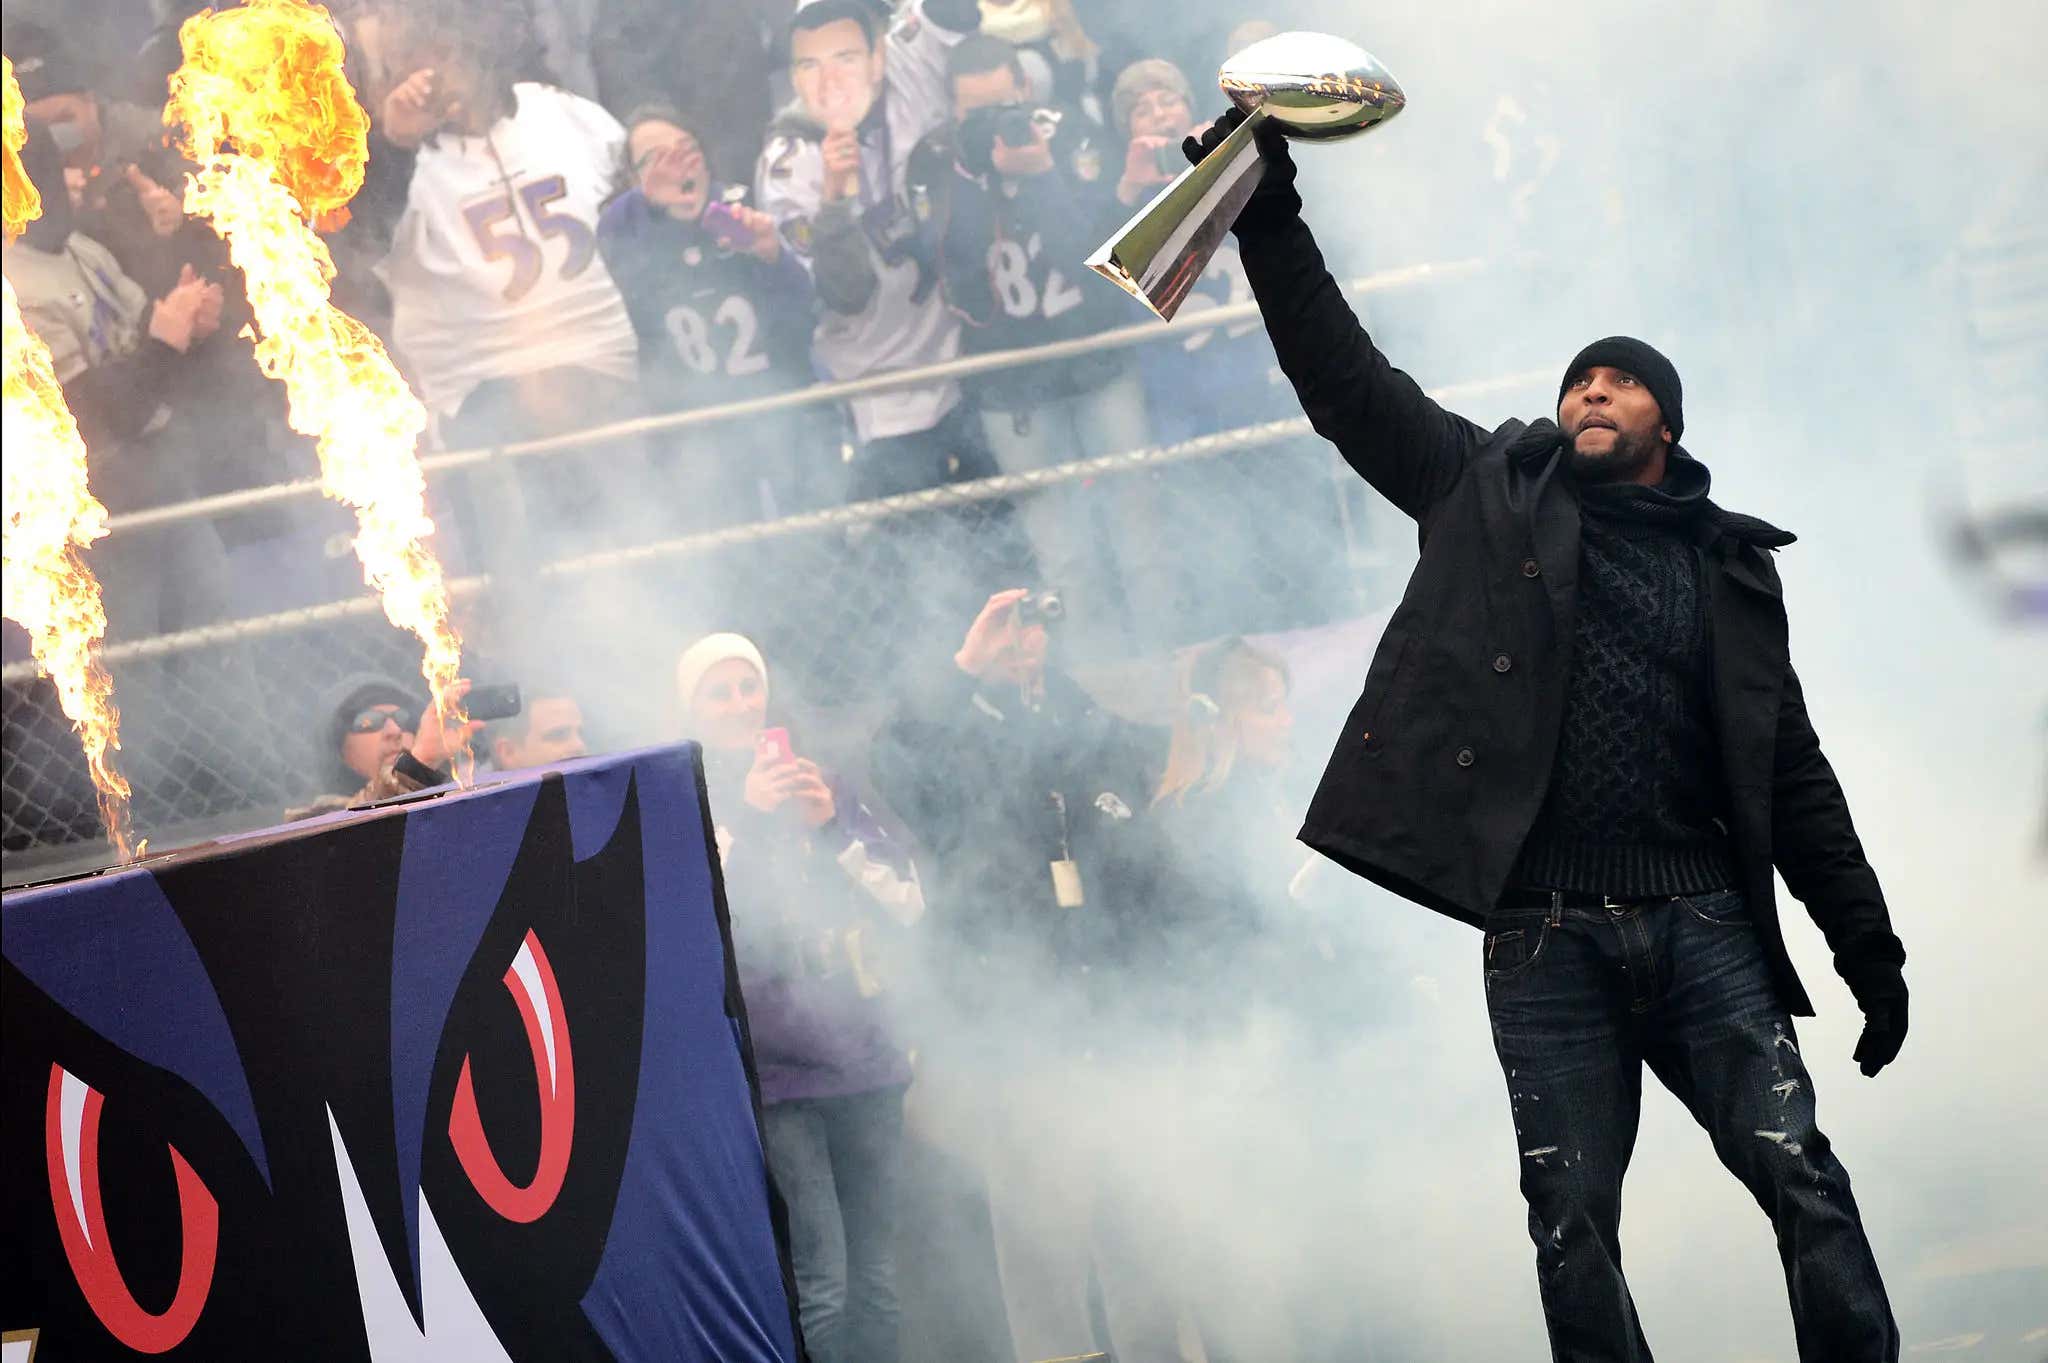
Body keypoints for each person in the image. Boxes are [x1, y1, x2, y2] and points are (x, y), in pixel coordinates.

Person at [1186, 109, 1909, 1359]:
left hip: (1699, 921)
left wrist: (1866, 945)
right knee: (1569, 1217)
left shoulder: (1728, 570)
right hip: (1545, 933)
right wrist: (1265, 208)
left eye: (1618, 378)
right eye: (1576, 375)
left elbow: (1789, 772)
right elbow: (1342, 379)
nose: (1589, 388)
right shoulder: (1487, 496)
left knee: (1799, 1173)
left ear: (1662, 424)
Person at [869, 589, 1173, 1363]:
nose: (1023, 639)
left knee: (1138, 1216)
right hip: (1015, 1021)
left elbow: (1141, 811)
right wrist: (965, 670)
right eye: (1003, 623)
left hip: (1107, 1008)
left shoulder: (1082, 716)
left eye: (1033, 620)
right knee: (1039, 1235)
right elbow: (896, 764)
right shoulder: (947, 734)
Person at [675, 632, 924, 1363]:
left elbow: (908, 902)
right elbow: (691, 917)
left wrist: (830, 829)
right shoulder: (688, 798)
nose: (739, 704)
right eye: (718, 692)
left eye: (748, 686)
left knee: (879, 1276)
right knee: (823, 1277)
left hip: (865, 1055)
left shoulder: (828, 782)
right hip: (778, 1072)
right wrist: (747, 816)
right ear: (689, 706)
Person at [355, 0, 651, 571]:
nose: (428, 77)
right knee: (539, 582)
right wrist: (393, 148)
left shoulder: (560, 113)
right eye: (405, 64)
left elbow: (638, 209)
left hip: (610, 380)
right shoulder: (384, 163)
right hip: (487, 407)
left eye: (440, 53)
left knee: (647, 550)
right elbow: (360, 245)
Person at [910, 36, 1158, 651]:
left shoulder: (1067, 133)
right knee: (1059, 543)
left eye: (1003, 104)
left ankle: (1162, 644)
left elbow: (1100, 255)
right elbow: (947, 273)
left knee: (1137, 516)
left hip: (1097, 360)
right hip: (1013, 385)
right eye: (976, 112)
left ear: (1022, 88)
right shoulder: (936, 161)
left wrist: (1041, 175)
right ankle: (1088, 661)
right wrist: (974, 174)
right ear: (951, 108)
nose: (995, 122)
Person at [754, 0, 990, 503]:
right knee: (925, 562)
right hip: (880, 393)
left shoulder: (910, 62)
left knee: (1010, 551)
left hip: (968, 364)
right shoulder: (789, 164)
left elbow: (954, 18)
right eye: (815, 58)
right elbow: (842, 295)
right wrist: (835, 204)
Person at [597, 106, 827, 523]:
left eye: (685, 149)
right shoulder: (632, 233)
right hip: (700, 436)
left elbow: (803, 314)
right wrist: (651, 202)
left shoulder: (741, 211)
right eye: (654, 159)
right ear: (633, 179)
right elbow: (615, 234)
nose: (674, 165)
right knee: (727, 565)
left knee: (812, 545)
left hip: (780, 418)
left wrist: (772, 257)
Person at [286, 675, 483, 819]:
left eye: (402, 718)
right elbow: (361, 826)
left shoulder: (464, 794)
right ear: (338, 748)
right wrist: (419, 765)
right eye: (369, 721)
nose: (395, 730)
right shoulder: (311, 823)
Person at [481, 688, 589, 771]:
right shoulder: (472, 798)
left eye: (580, 734)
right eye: (558, 735)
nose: (579, 745)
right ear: (509, 752)